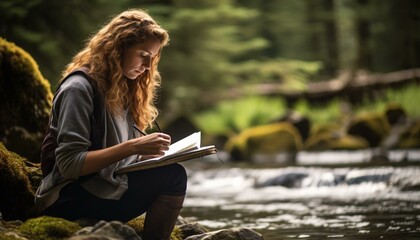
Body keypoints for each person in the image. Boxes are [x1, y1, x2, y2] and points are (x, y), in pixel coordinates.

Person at [34, 9, 187, 240]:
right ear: (118, 48)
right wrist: (135, 147)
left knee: (171, 170)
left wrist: (154, 154)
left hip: (103, 186)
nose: (147, 65)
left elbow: (116, 156)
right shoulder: (78, 88)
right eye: (143, 54)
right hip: (66, 198)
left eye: (152, 57)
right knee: (173, 177)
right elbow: (70, 165)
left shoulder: (121, 88)